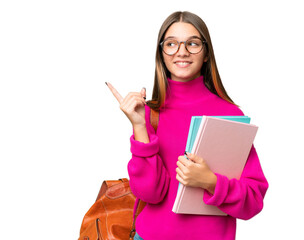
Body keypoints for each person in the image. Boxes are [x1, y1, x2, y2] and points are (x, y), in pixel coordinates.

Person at [106, 11, 268, 240]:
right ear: (161, 54)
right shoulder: (149, 113)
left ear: (205, 54)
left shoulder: (229, 115)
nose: (182, 51)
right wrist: (140, 127)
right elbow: (149, 193)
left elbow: (253, 200)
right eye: (171, 44)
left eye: (192, 43)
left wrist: (210, 182)